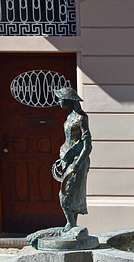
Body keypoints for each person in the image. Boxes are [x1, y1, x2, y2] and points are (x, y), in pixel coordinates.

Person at [52, 87, 91, 232]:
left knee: (66, 193)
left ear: (69, 100)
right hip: (66, 159)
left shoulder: (81, 118)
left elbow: (87, 146)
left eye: (61, 98)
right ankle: (72, 224)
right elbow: (69, 140)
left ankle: (71, 223)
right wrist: (61, 158)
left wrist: (77, 164)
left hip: (77, 161)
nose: (59, 101)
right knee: (69, 192)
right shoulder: (69, 117)